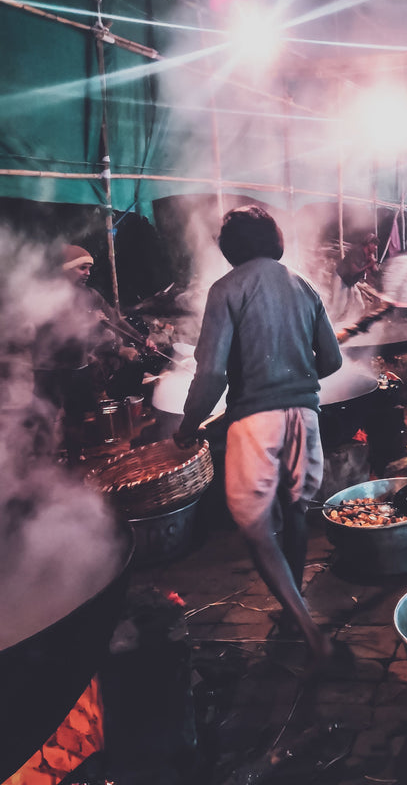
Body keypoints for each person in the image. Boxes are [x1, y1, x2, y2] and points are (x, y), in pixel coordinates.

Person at [173, 205, 344, 672]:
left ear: (229, 248)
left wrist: (188, 427)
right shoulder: (303, 286)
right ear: (274, 239)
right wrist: (298, 368)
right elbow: (331, 361)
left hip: (255, 420)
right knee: (295, 509)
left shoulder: (226, 289)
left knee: (253, 527)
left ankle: (309, 631)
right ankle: (296, 607)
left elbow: (210, 375)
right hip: (305, 416)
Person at [30, 244, 151, 463]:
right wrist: (86, 322)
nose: (87, 273)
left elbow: (116, 320)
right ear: (66, 269)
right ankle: (42, 468)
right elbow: (52, 332)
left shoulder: (90, 295)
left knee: (75, 418)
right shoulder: (49, 295)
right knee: (45, 418)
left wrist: (142, 340)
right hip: (48, 369)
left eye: (89, 268)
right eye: (82, 268)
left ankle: (75, 464)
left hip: (77, 366)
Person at [330, 232, 379, 324]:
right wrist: (369, 264)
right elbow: (354, 271)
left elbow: (373, 271)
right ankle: (331, 325)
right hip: (341, 279)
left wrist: (372, 263)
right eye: (374, 245)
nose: (376, 248)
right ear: (369, 244)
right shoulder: (357, 251)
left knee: (359, 306)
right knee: (338, 308)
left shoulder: (368, 255)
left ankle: (349, 324)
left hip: (350, 282)